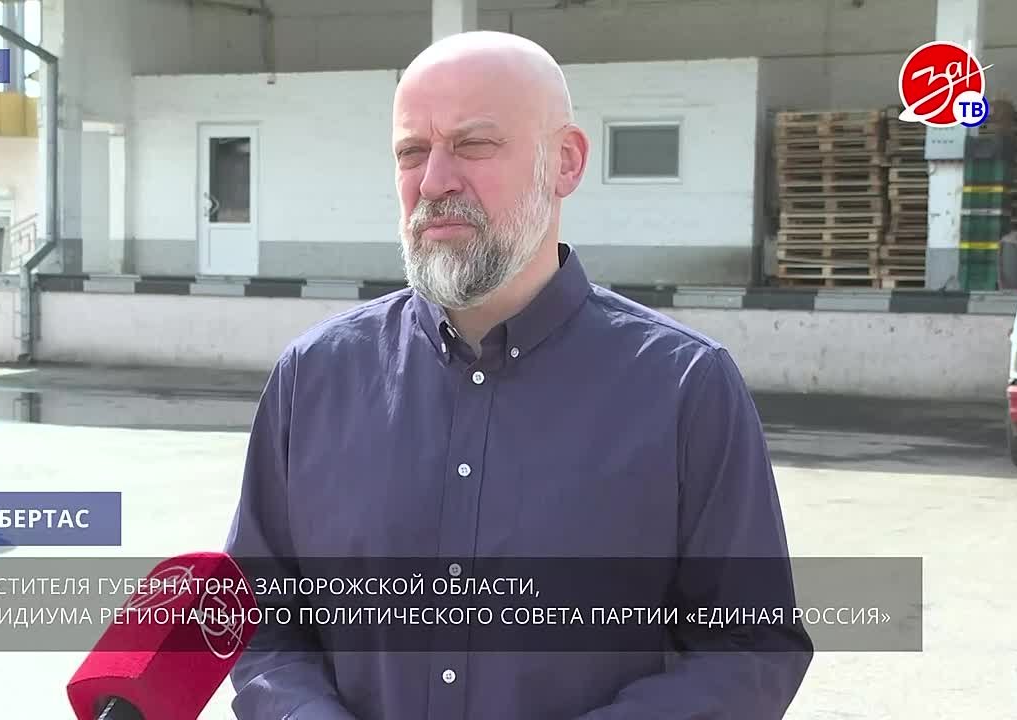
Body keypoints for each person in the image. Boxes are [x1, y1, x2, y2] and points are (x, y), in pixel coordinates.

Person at [224, 30, 813, 720]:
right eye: (412, 152)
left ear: (565, 162)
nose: (434, 181)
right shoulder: (314, 378)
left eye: (473, 144)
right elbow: (255, 619)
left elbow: (749, 648)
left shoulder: (685, 387)